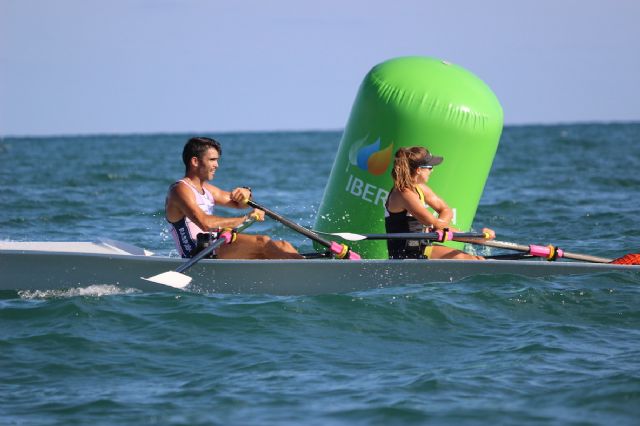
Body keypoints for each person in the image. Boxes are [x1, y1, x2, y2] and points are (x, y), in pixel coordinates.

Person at [165, 136, 302, 259]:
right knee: (263, 242)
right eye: (212, 160)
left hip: (216, 245)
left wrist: (246, 192)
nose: (216, 165)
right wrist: (246, 219)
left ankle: (305, 269)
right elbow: (205, 223)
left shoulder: (208, 190)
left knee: (283, 245)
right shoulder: (180, 190)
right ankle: (305, 274)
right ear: (195, 161)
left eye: (217, 160)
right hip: (197, 253)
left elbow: (239, 204)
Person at [385, 146, 495, 260]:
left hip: (421, 246)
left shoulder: (420, 188)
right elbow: (435, 224)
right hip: (406, 253)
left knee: (476, 259)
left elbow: (446, 210)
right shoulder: (404, 194)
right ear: (418, 170)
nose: (432, 170)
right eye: (430, 167)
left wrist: (440, 225)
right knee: (470, 259)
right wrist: (439, 226)